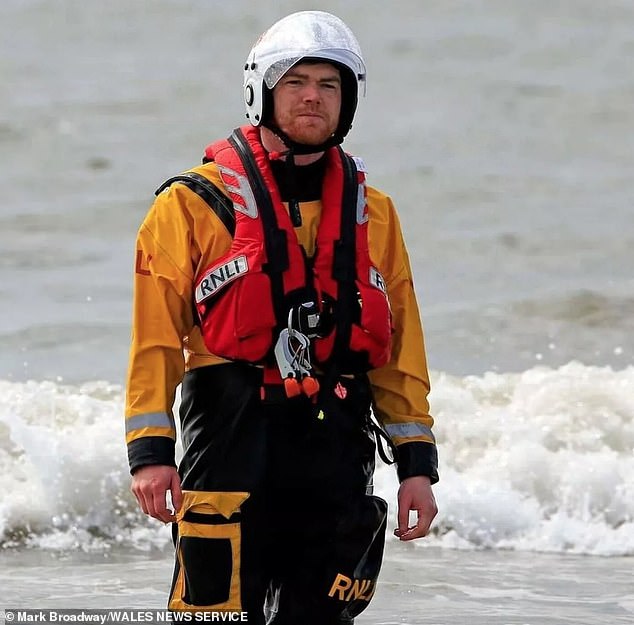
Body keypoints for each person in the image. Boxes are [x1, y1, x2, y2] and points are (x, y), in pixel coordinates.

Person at [125, 10, 438, 624]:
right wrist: (150, 454)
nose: (312, 99)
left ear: (349, 100)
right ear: (262, 91)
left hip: (336, 437)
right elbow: (154, 340)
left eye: (329, 85)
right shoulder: (188, 204)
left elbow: (401, 347)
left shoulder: (374, 212)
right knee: (212, 614)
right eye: (296, 82)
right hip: (230, 430)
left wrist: (416, 468)